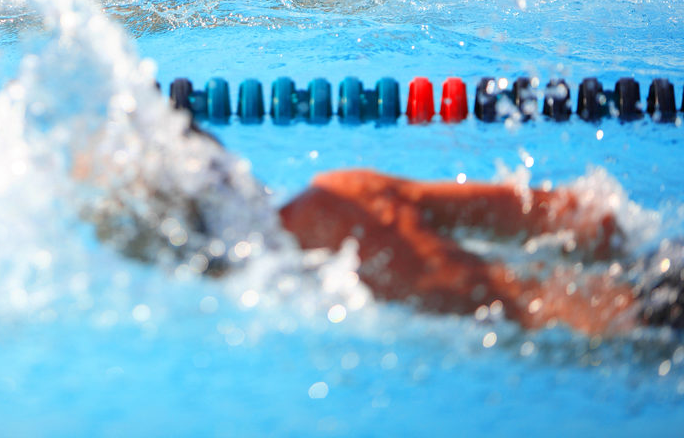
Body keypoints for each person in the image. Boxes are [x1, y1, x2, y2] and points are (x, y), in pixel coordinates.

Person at [76, 107, 681, 337]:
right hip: (648, 289)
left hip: (629, 325)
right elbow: (575, 219)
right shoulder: (345, 192)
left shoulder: (282, 307)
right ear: (231, 169)